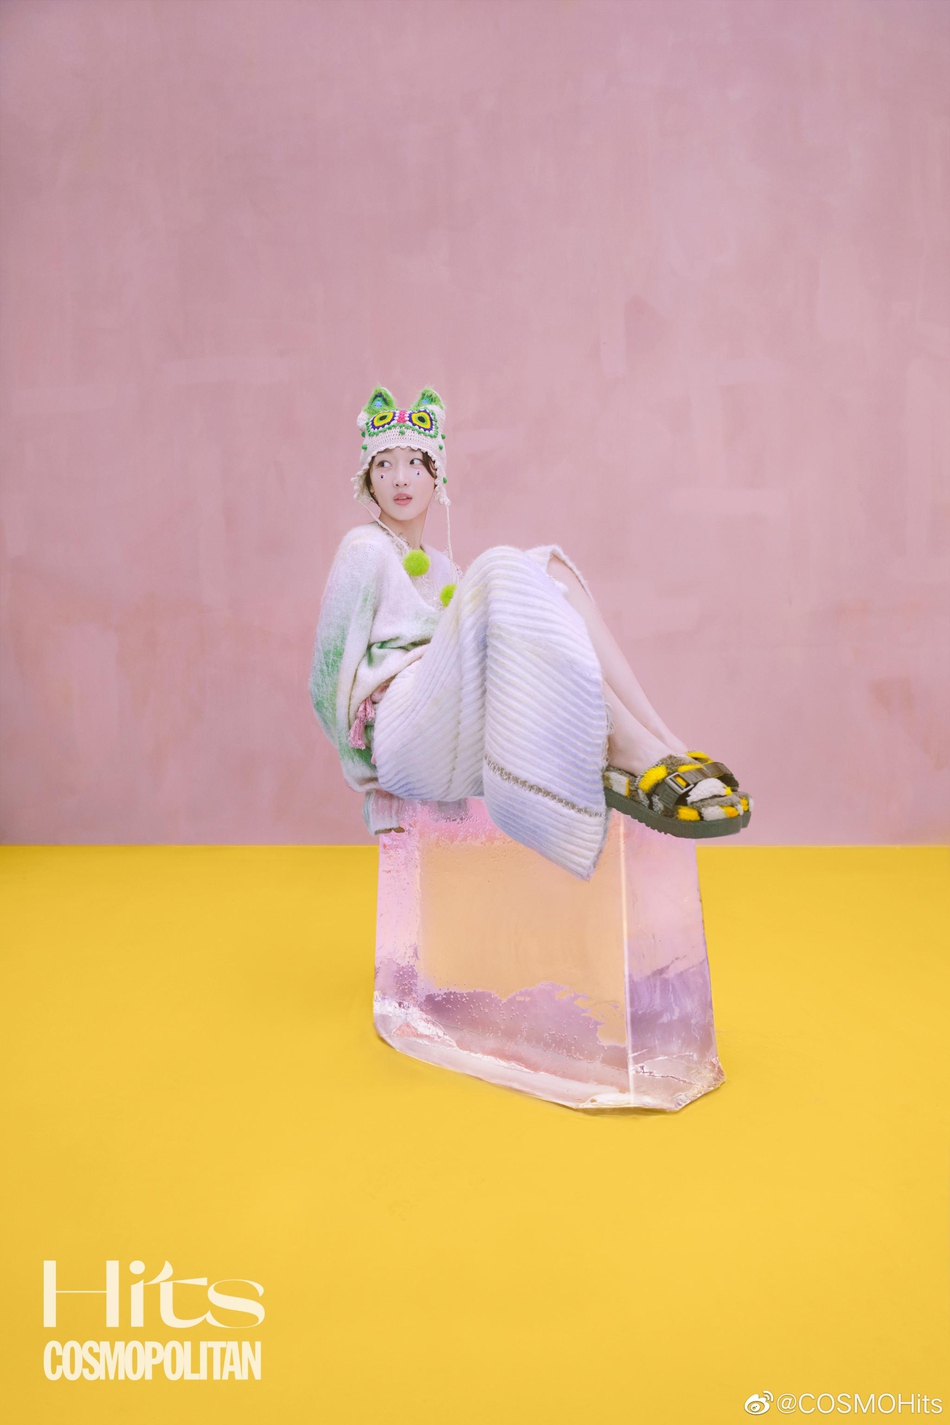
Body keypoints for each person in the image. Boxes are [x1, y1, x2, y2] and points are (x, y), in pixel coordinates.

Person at [309, 387, 751, 880]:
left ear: (437, 475)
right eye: (384, 465)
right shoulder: (364, 549)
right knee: (500, 566)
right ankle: (630, 749)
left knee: (548, 566)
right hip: (400, 733)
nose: (400, 478)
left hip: (448, 729)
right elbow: (325, 682)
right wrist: (371, 780)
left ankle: (663, 742)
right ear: (367, 479)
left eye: (415, 463)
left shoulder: (443, 567)